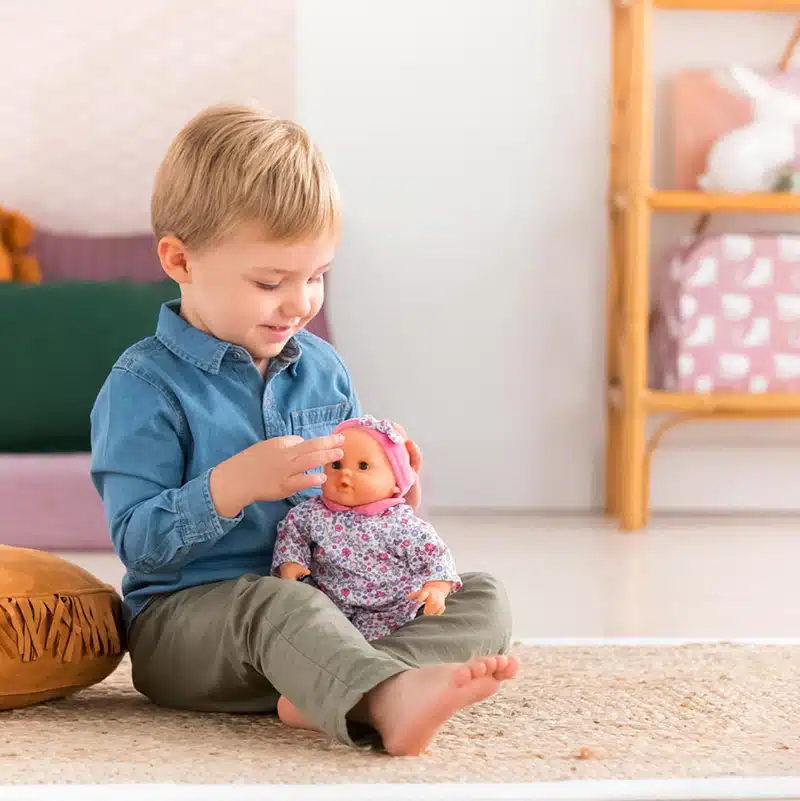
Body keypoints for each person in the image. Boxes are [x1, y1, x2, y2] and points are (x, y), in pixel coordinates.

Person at [90, 104, 518, 755]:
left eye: (317, 276)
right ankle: (384, 695)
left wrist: (388, 493)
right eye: (270, 281)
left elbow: (347, 509)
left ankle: (336, 687)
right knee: (279, 606)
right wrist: (230, 486)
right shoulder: (143, 385)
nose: (300, 302)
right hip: (193, 627)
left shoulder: (321, 368)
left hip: (328, 606)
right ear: (180, 260)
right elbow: (138, 545)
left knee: (482, 596)